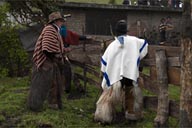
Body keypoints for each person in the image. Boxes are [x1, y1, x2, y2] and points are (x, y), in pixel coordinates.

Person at [94, 20, 148, 123]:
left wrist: (106, 72)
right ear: (126, 31)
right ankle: (132, 115)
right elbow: (145, 46)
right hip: (130, 73)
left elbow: (104, 63)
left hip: (115, 76)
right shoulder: (135, 41)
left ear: (116, 32)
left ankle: (104, 117)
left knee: (108, 97)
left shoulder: (112, 45)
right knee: (131, 93)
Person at [27, 11, 68, 111]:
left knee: (54, 83)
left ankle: (53, 104)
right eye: (61, 21)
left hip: (50, 61)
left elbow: (52, 46)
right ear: (56, 21)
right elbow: (46, 48)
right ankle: (34, 106)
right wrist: (56, 56)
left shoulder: (54, 30)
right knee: (41, 84)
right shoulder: (50, 29)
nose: (62, 22)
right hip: (46, 61)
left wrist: (61, 51)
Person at [59, 24, 92, 93]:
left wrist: (85, 37)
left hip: (63, 55)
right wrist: (64, 49)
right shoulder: (54, 34)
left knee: (67, 70)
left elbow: (76, 36)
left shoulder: (66, 32)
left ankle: (67, 88)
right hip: (57, 55)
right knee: (64, 71)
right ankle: (63, 88)